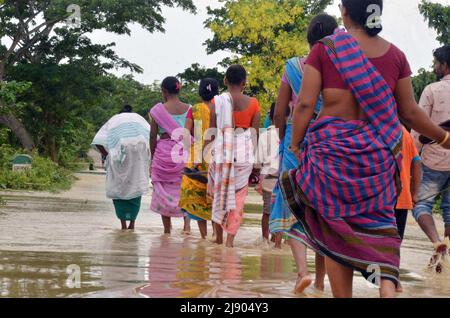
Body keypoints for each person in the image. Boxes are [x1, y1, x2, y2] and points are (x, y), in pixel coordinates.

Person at [280, 0, 450, 298]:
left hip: (331, 158)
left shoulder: (325, 49)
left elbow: (305, 105)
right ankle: (386, 287)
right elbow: (409, 113)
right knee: (382, 228)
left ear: (344, 13)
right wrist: (445, 138)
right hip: (376, 160)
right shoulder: (396, 56)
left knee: (336, 232)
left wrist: (296, 144)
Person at [271, 13, 337, 293]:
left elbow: (280, 112)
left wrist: (284, 138)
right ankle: (321, 282)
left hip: (295, 146)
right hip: (329, 144)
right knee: (322, 213)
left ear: (309, 37)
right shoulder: (340, 67)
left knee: (291, 210)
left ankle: (302, 273)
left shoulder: (293, 66)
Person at [208, 64, 261, 248]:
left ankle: (219, 237)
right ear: (244, 83)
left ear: (225, 80)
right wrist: (257, 163)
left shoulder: (217, 102)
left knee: (219, 195)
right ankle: (230, 241)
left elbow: (212, 133)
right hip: (243, 155)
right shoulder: (254, 103)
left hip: (222, 153)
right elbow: (255, 135)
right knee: (238, 198)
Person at [411, 45, 450, 273]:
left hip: (433, 160)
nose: (434, 67)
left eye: (436, 63)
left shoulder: (432, 90)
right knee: (449, 209)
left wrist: (410, 157)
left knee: (420, 203)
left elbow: (418, 127)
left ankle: (437, 242)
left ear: (444, 65)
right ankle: (443, 255)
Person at [92, 105, 150, 230]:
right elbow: (151, 137)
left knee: (118, 189)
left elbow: (97, 141)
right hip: (137, 161)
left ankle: (123, 225)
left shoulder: (114, 120)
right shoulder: (139, 119)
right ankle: (132, 225)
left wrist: (107, 155)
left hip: (118, 160)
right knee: (136, 187)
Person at [149, 77, 192, 235]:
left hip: (164, 153)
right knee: (185, 188)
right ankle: (186, 226)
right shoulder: (190, 109)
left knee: (162, 188)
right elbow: (193, 134)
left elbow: (153, 136)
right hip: (183, 153)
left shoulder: (157, 110)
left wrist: (152, 157)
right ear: (178, 89)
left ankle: (167, 230)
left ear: (164, 91)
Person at [179, 78, 219, 239]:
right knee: (215, 198)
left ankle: (204, 237)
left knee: (197, 197)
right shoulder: (222, 108)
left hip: (197, 157)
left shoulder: (194, 109)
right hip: (217, 155)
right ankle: (217, 235)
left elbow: (186, 133)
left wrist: (192, 152)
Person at [394, 126, 422, 292]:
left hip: (377, 200)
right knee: (396, 242)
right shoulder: (405, 133)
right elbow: (417, 164)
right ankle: (394, 280)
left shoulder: (372, 128)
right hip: (402, 198)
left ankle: (386, 279)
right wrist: (414, 193)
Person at [256, 102, 280, 244]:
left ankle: (265, 240)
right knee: (281, 212)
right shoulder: (288, 135)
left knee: (267, 211)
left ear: (270, 117)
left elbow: (258, 161)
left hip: (268, 178)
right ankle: (277, 243)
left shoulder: (265, 135)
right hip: (283, 177)